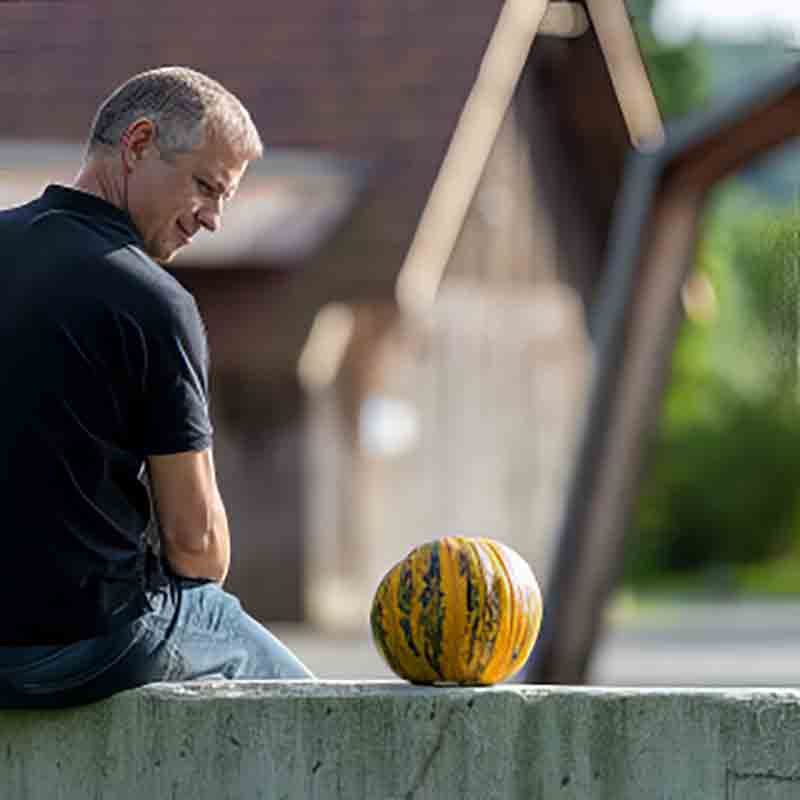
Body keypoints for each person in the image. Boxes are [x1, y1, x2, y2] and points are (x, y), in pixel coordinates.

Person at [0, 66, 315, 708]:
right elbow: (195, 547)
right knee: (333, 726)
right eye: (205, 187)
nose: (213, 220)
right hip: (87, 643)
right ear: (138, 143)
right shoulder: (150, 299)